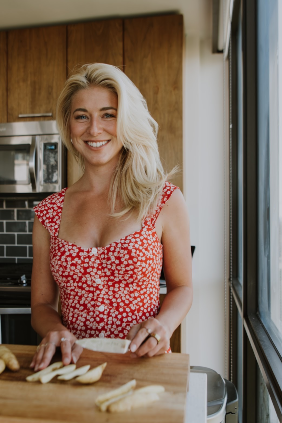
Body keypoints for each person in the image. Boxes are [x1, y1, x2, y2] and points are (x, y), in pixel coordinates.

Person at [29, 63, 193, 371]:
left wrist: (163, 325)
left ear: (126, 119)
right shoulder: (48, 213)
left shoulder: (164, 201)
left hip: (143, 369)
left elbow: (182, 287)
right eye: (82, 116)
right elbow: (41, 305)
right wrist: (56, 330)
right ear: (69, 125)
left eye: (108, 114)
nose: (94, 129)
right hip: (74, 368)